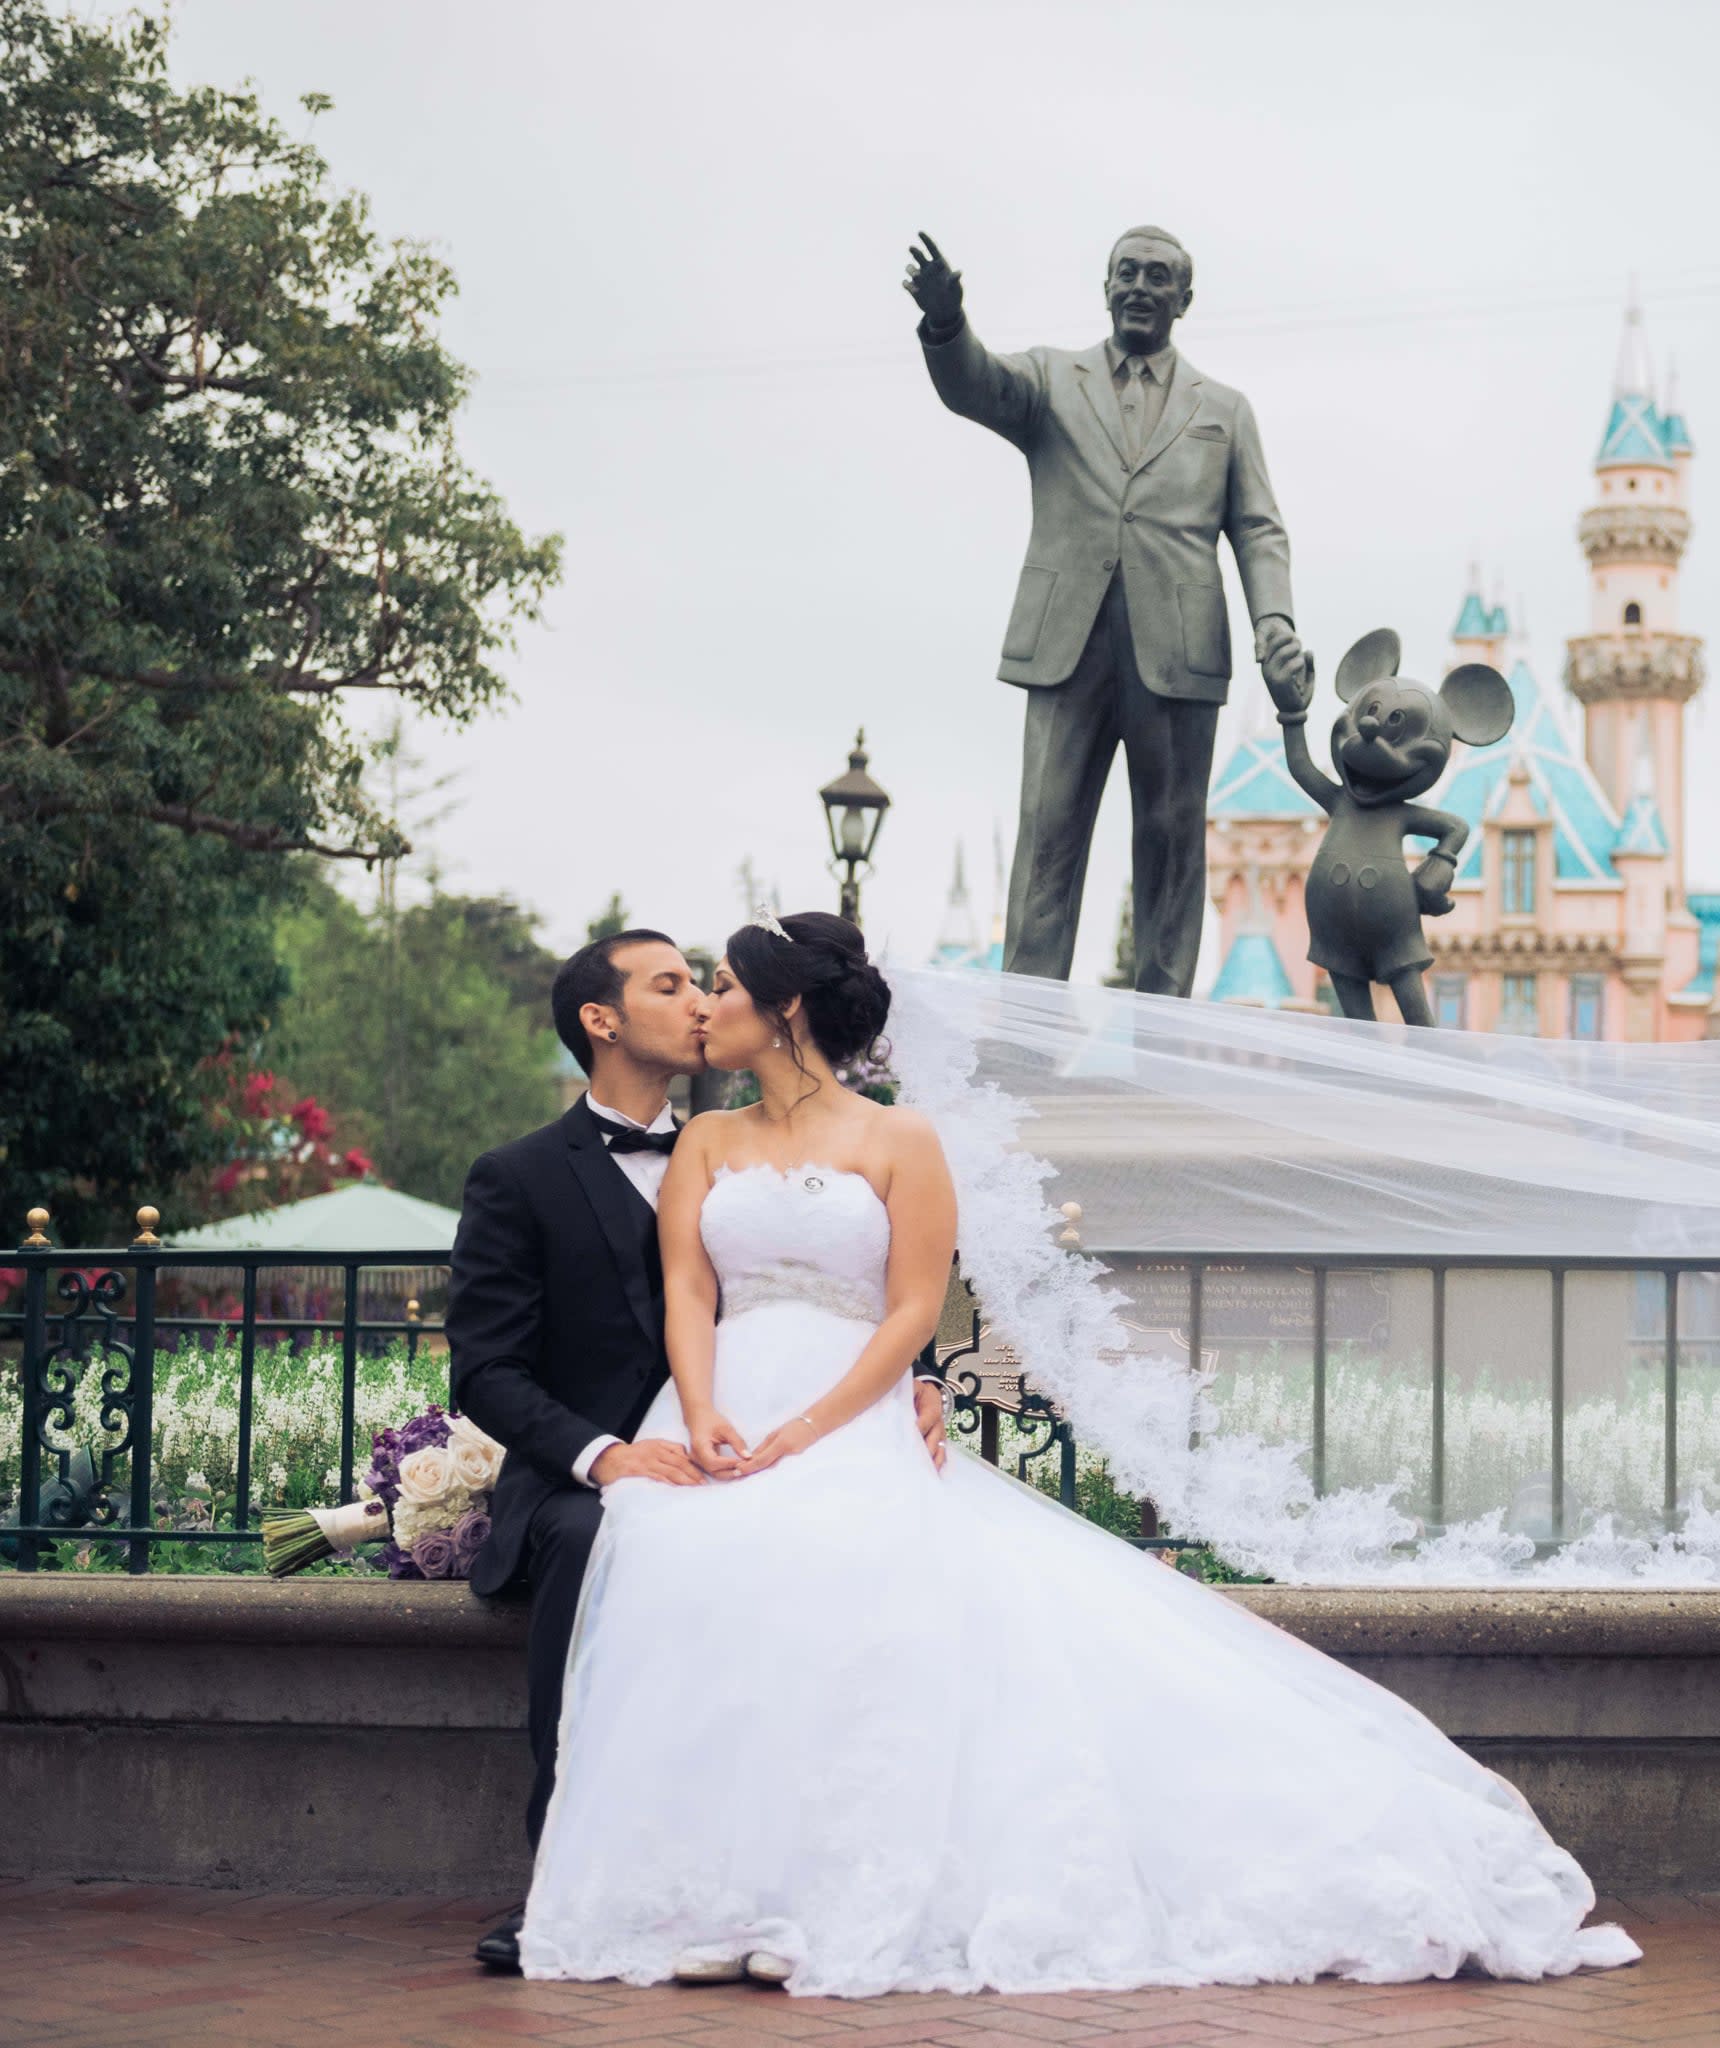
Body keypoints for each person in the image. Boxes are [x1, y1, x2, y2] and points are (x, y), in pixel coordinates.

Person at [519, 910, 1639, 1995]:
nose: (707, 1004)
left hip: (843, 1405)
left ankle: (812, 1904)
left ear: (787, 1005)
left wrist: (816, 1425)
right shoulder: (707, 1140)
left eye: (722, 985)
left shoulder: (900, 1137)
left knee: (845, 1607)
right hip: (713, 1404)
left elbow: (912, 1307)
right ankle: (712, 1897)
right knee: (695, 1601)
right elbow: (686, 1285)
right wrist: (704, 1407)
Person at [445, 926, 949, 1974]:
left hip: (783, 1414)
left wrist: (924, 1376)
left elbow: (881, 1271)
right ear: (603, 1018)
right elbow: (485, 1368)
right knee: (609, 1537)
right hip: (605, 1459)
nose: (699, 1004)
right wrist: (601, 1451)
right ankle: (567, 1868)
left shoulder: (725, 1143)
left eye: (709, 984)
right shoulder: (519, 1176)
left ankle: (789, 1880)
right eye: (672, 986)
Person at [906, 226, 1309, 998]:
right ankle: (1026, 1036)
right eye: (1126, 272)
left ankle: (1160, 1037)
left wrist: (1275, 624)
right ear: (1105, 287)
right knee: (1046, 835)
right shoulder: (1055, 380)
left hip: (1181, 652)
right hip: (1067, 640)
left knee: (1171, 844)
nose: (1139, 286)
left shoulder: (1224, 409)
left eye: (1159, 276)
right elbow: (975, 385)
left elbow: (1258, 527)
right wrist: (947, 325)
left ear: (1183, 299)